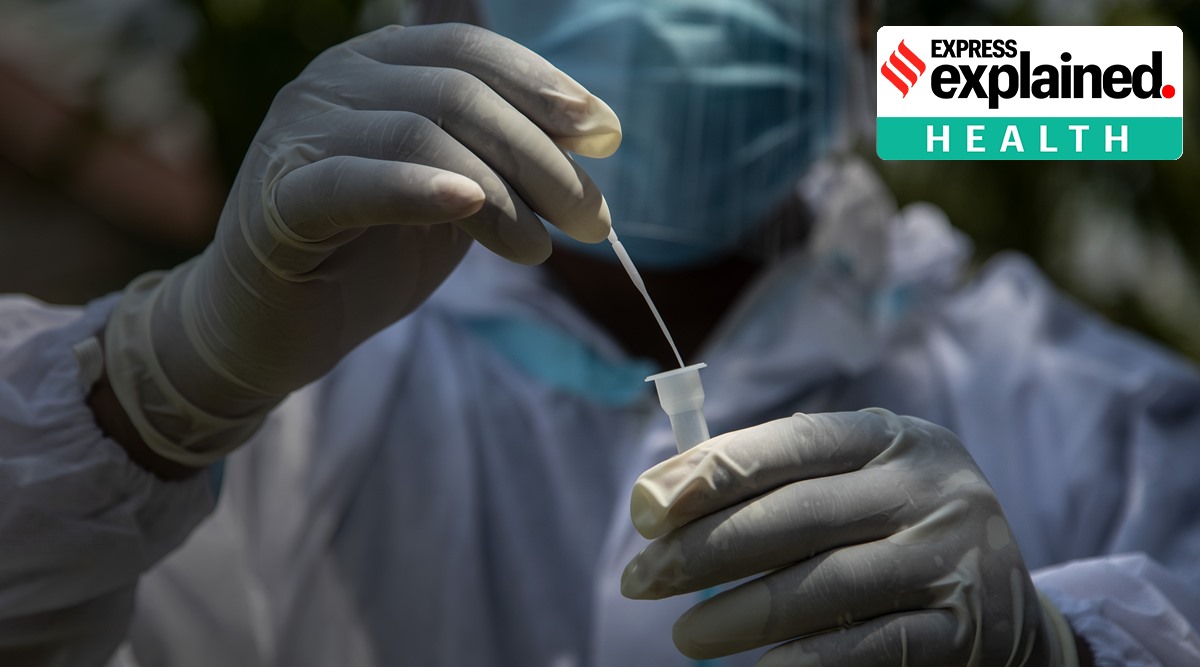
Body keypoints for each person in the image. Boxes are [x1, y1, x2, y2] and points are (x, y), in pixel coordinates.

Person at [2, 1, 1199, 665]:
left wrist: (1063, 653)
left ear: (859, 25)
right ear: (436, 12)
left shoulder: (1105, 415)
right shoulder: (285, 396)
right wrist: (147, 397)